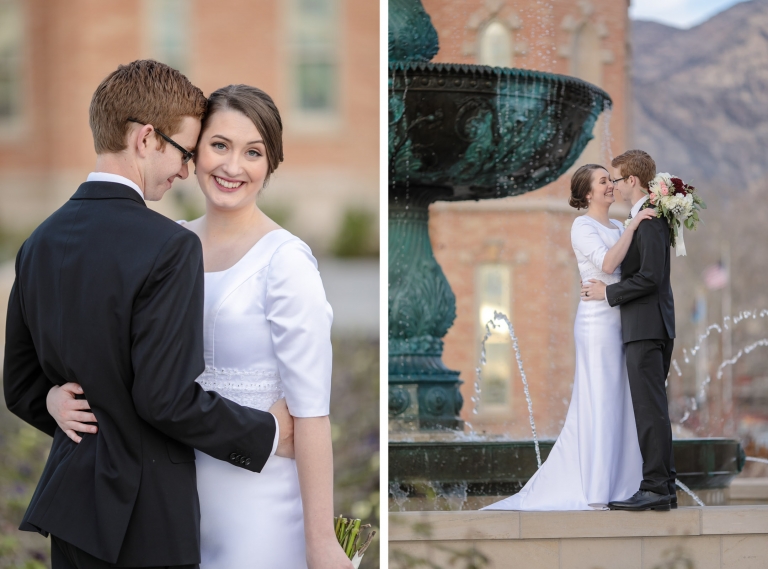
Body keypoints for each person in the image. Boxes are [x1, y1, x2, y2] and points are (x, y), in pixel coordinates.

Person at [3, 60, 295, 569]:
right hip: (146, 517)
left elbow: (18, 385)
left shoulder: (37, 244)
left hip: (72, 509)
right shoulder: (169, 247)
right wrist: (266, 432)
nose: (186, 169)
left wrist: (51, 398)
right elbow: (165, 400)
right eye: (183, 151)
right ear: (146, 139)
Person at [47, 84, 353, 568]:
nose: (233, 167)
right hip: (167, 500)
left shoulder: (286, 262)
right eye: (219, 145)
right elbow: (118, 365)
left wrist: (321, 541)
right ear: (193, 154)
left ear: (270, 164)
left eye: (253, 152)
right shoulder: (169, 244)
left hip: (257, 499)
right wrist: (51, 395)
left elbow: (311, 414)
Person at [483, 164, 655, 511]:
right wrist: (636, 225)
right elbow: (607, 264)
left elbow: (626, 272)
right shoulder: (582, 226)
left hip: (619, 317)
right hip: (596, 324)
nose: (611, 186)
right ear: (588, 193)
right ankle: (595, 488)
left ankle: (622, 483)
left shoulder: (619, 226)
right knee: (599, 399)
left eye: (611, 180)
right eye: (604, 181)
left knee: (620, 399)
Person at [581, 150, 678, 512]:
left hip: (645, 327)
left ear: (631, 181)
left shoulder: (649, 220)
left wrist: (608, 293)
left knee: (649, 409)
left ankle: (655, 487)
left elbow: (650, 277)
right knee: (653, 408)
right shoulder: (643, 219)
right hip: (650, 324)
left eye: (617, 179)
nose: (615, 186)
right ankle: (664, 486)